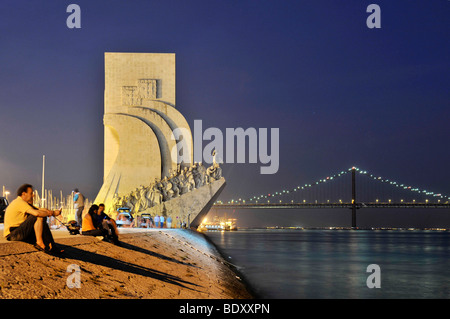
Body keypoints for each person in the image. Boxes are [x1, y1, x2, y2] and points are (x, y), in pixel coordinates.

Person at [4, 183, 63, 254]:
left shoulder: (24, 204)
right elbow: (37, 213)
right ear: (23, 194)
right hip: (13, 234)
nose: (33, 195)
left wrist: (54, 212)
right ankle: (39, 243)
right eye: (31, 193)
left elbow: (40, 209)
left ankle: (52, 247)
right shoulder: (18, 202)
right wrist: (52, 213)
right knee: (38, 216)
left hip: (20, 231)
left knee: (42, 218)